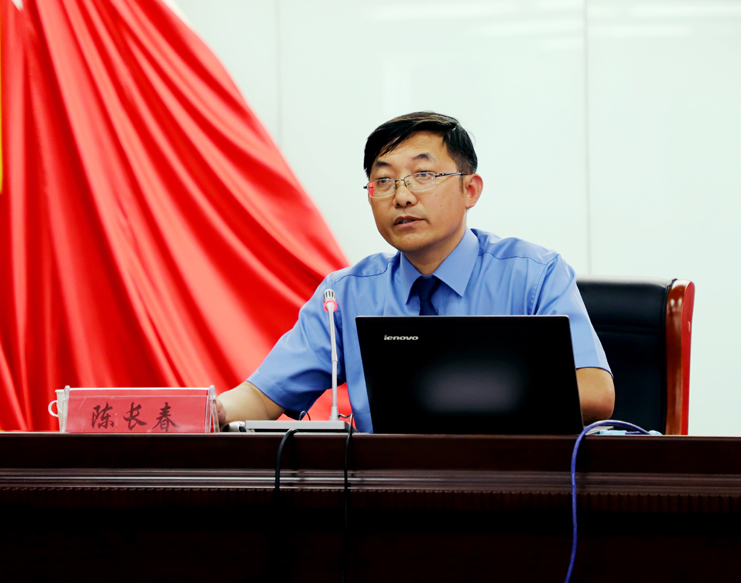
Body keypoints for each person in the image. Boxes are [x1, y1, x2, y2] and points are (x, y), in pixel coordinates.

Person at [217, 112, 614, 432]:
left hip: (510, 484)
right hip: (385, 489)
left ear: (470, 190)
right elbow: (260, 397)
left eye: (423, 176)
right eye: (384, 181)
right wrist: (206, 410)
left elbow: (595, 394)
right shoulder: (347, 294)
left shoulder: (534, 275)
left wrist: (450, 393)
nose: (402, 196)